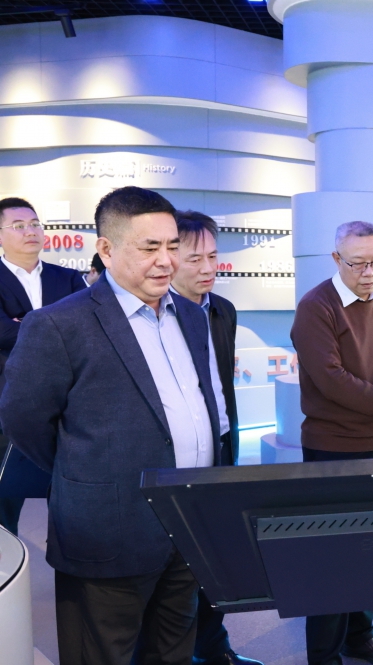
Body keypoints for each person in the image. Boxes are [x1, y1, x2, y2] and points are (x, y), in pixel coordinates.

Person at [0, 186, 222, 665]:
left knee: (172, 654)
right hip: (105, 532)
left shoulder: (191, 315)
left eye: (172, 246)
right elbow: (24, 419)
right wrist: (84, 471)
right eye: (149, 247)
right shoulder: (59, 324)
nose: (166, 261)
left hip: (188, 526)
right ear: (106, 248)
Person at [290, 221, 373, 665]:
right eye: (358, 263)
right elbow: (332, 380)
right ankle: (324, 655)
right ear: (336, 259)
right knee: (331, 558)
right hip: (334, 449)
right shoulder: (316, 307)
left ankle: (359, 636)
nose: (369, 272)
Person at [169, 211, 260, 665]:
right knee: (171, 565)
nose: (208, 268)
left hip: (221, 446)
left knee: (214, 554)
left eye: (213, 256)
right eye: (195, 259)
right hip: (174, 455)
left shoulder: (223, 310)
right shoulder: (155, 314)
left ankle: (214, 648)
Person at [0, 196, 86, 535]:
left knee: (71, 498)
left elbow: (87, 330)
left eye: (35, 224)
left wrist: (24, 324)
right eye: (19, 226)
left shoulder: (68, 278)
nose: (30, 231)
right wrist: (54, 330)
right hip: (7, 404)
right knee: (4, 501)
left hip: (68, 407)